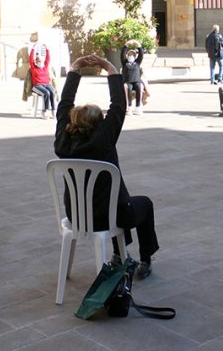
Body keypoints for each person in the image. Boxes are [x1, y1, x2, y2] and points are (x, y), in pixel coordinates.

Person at [54, 55, 159, 279]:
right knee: (142, 204)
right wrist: (109, 68)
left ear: (71, 121)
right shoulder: (104, 138)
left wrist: (75, 70)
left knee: (113, 201)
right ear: (99, 122)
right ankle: (145, 259)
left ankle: (121, 254)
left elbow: (64, 105)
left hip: (78, 215)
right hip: (112, 216)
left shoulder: (62, 141)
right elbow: (119, 105)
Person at [29, 42, 56, 118]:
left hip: (46, 84)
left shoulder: (44, 67)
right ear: (36, 62)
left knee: (52, 91)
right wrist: (33, 48)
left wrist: (47, 49)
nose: (40, 62)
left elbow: (48, 59)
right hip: (37, 86)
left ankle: (53, 110)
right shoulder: (34, 68)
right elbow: (30, 59)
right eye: (39, 61)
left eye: (41, 61)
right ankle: (44, 112)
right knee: (46, 93)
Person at [121, 40, 145, 115]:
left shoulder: (137, 63)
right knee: (128, 88)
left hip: (137, 81)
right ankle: (129, 108)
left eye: (133, 54)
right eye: (130, 54)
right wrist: (126, 45)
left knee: (139, 86)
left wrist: (138, 45)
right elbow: (122, 54)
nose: (131, 55)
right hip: (128, 81)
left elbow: (141, 54)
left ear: (135, 56)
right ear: (127, 56)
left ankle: (138, 107)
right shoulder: (125, 63)